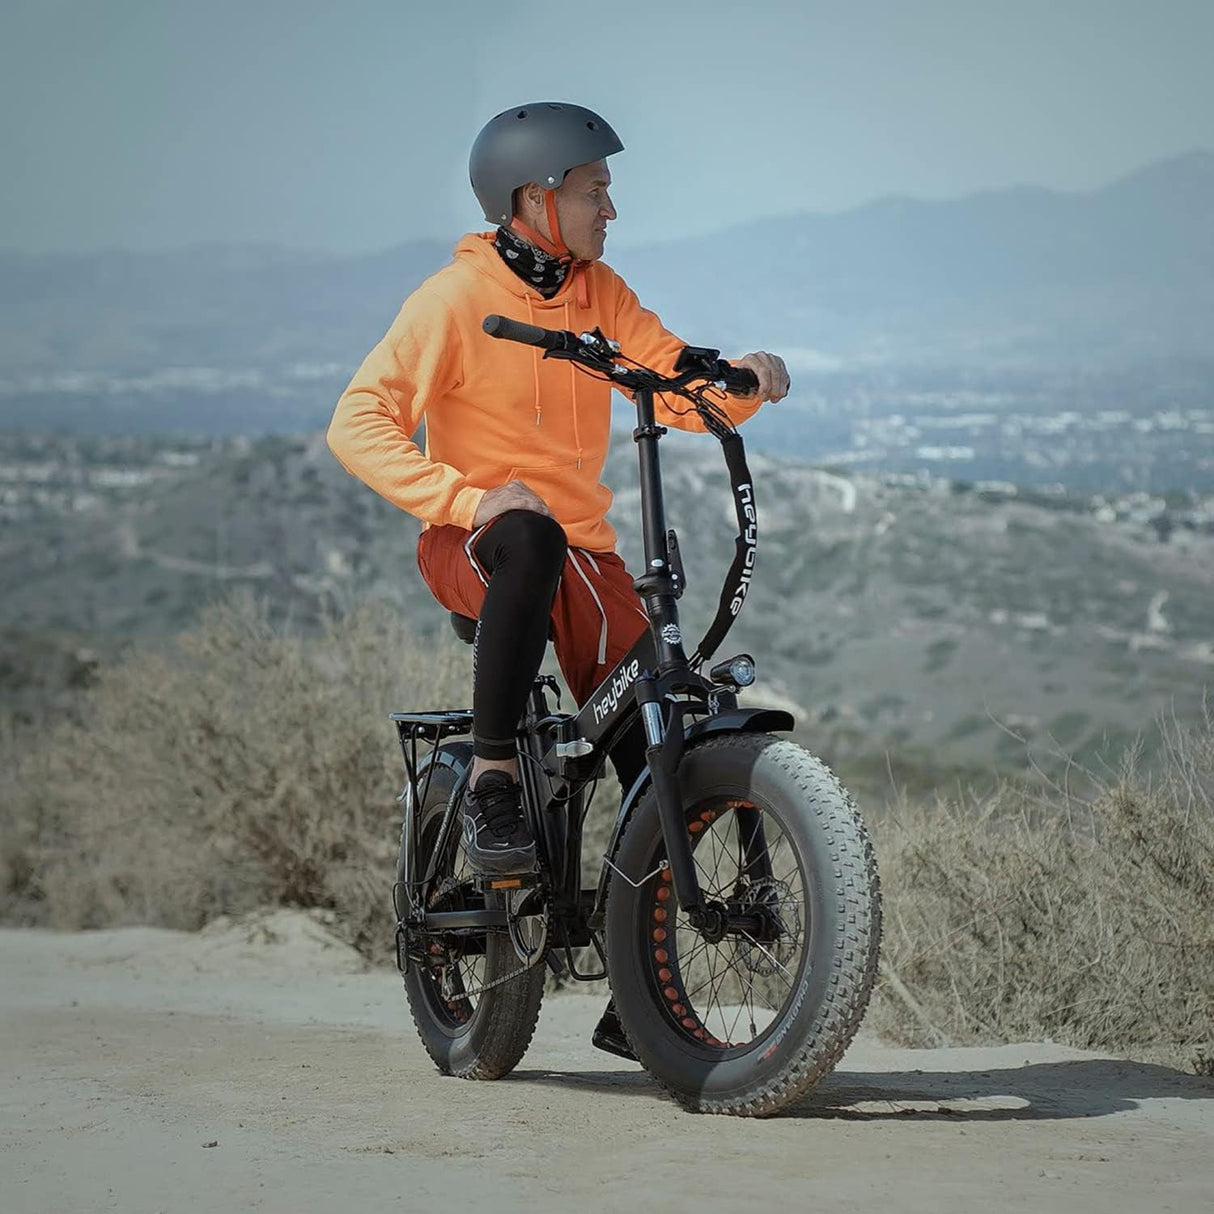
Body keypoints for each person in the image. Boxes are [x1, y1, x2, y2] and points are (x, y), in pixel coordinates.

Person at [327, 103, 788, 1049]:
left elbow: (671, 376)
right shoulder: (452, 302)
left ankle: (641, 991)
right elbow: (357, 420)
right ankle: (496, 776)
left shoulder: (598, 292)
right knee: (531, 530)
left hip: (586, 557)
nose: (610, 207)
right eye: (595, 190)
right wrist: (463, 500)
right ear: (536, 198)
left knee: (658, 732)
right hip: (476, 544)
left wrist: (738, 375)